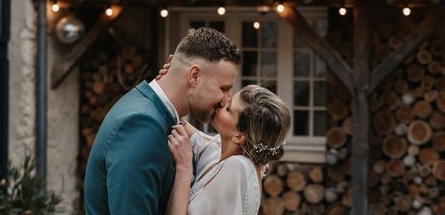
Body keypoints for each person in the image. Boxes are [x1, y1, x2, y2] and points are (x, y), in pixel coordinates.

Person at [83, 27, 242, 215]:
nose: (227, 99)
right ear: (194, 76)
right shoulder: (140, 125)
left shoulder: (161, 115)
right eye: (224, 88)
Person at [166, 84, 291, 215]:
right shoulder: (225, 150)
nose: (222, 101)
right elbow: (193, 133)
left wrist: (184, 167)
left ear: (238, 136)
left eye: (228, 108)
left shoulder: (237, 167)